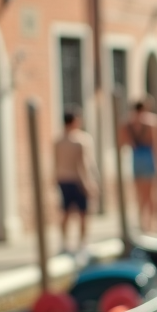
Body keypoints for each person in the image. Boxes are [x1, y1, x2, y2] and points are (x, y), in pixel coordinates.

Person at [53, 106, 97, 253]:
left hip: (63, 179)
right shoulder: (81, 140)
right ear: (74, 121)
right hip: (78, 181)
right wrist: (89, 184)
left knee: (65, 212)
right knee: (83, 213)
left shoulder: (58, 141)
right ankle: (83, 243)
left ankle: (64, 244)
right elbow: (83, 165)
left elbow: (55, 163)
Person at [121, 96, 157, 233]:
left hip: (136, 156)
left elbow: (124, 142)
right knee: (152, 193)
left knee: (139, 193)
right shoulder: (153, 121)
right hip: (149, 156)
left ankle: (142, 223)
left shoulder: (128, 123)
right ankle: (153, 224)